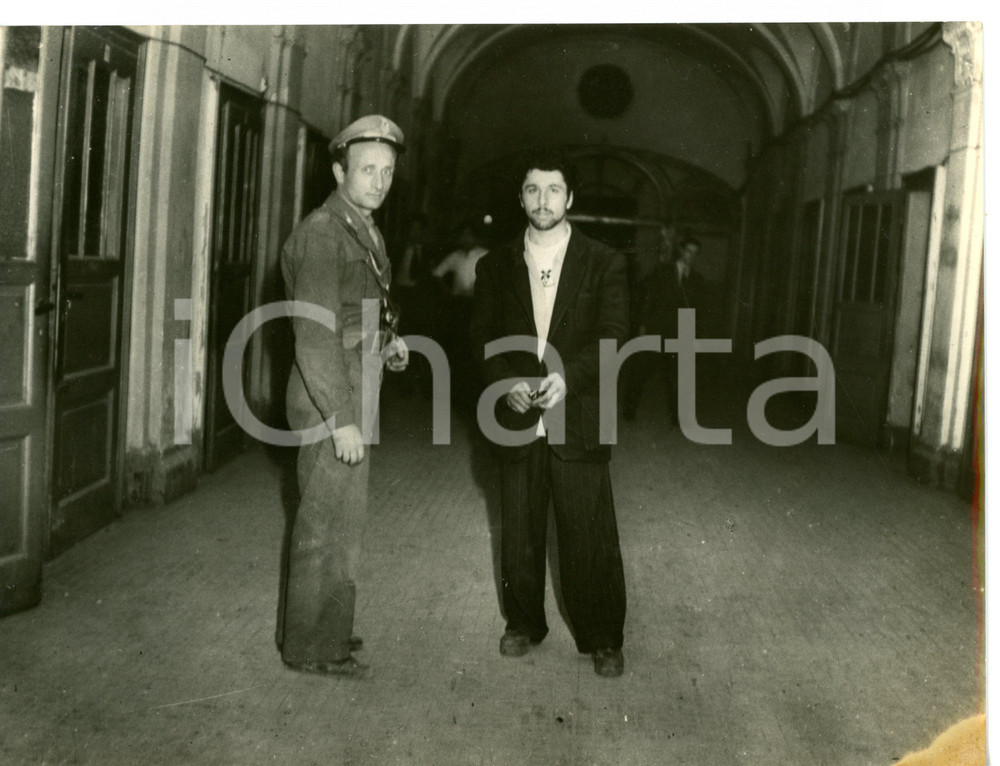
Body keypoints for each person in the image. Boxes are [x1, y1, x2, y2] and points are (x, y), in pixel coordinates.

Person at [469, 149, 629, 677]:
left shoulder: (604, 261)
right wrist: (504, 383)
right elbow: (482, 338)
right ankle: (522, 624)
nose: (543, 200)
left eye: (554, 189)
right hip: (516, 414)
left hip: (578, 409)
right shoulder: (494, 265)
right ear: (520, 198)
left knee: (589, 531)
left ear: (570, 198)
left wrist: (570, 377)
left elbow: (613, 336)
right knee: (518, 528)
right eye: (533, 190)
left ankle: (603, 636)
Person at [277, 114, 409, 678]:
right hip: (329, 391)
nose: (378, 181)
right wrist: (339, 417)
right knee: (323, 522)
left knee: (344, 520)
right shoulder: (323, 233)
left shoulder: (363, 225)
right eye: (366, 170)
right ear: (339, 170)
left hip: (359, 379)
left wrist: (389, 342)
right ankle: (309, 646)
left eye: (387, 171)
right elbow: (314, 331)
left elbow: (357, 309)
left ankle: (325, 628)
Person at [622, 232, 703, 425]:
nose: (691, 257)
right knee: (641, 371)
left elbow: (697, 309)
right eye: (688, 252)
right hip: (656, 329)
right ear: (681, 251)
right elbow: (648, 299)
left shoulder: (697, 279)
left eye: (695, 253)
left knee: (676, 375)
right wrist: (642, 325)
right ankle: (629, 409)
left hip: (679, 334)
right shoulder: (663, 271)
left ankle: (676, 416)